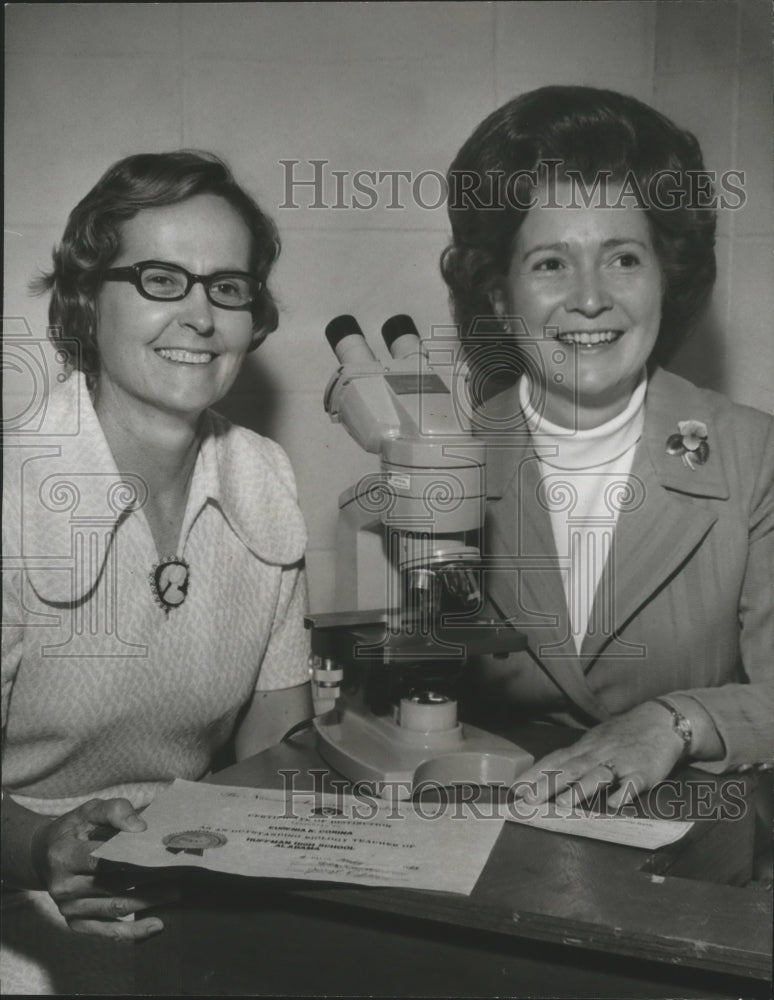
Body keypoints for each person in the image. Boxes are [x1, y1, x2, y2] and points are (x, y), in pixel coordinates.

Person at [1, 151, 312, 992]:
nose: (201, 316)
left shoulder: (264, 477)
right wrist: (40, 849)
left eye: (228, 287)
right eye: (160, 279)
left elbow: (276, 746)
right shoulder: (11, 492)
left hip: (191, 880)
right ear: (86, 297)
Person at [440, 86, 773, 817]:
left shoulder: (756, 459)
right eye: (551, 264)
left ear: (665, 278)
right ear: (500, 296)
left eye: (623, 258)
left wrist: (673, 723)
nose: (590, 299)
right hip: (494, 837)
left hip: (693, 852)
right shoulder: (437, 467)